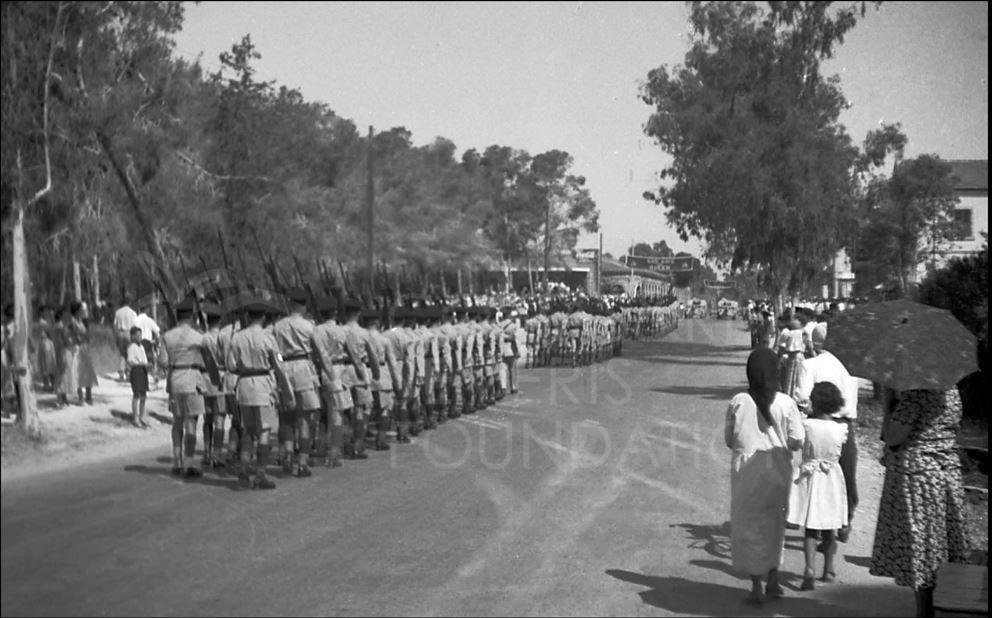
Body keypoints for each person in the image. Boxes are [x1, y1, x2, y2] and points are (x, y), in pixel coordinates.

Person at [869, 388, 968, 618]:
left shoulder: (916, 396)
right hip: (945, 475)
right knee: (938, 548)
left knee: (921, 551)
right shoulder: (951, 392)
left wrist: (889, 404)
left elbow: (893, 436)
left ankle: (924, 612)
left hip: (918, 479)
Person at [725, 348, 805, 606]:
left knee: (748, 525)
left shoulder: (738, 401)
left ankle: (756, 585)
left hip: (746, 472)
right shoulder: (786, 402)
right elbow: (797, 440)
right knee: (774, 524)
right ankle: (773, 580)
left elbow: (730, 440)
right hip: (778, 472)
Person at [793, 323, 860, 543]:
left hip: (819, 424)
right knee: (846, 474)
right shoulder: (852, 368)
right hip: (846, 426)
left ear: (818, 343)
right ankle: (845, 520)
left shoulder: (810, 365)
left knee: (819, 475)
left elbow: (802, 396)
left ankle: (818, 525)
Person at [787, 381, 849, 591]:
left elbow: (797, 441)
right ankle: (829, 569)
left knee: (811, 529)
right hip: (830, 475)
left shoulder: (807, 426)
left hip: (811, 476)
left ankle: (809, 568)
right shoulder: (840, 429)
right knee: (830, 525)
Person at [226, 300, 281, 489]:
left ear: (248, 317)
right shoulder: (268, 338)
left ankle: (243, 471)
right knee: (264, 431)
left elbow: (231, 365)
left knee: (247, 430)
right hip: (262, 384)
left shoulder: (237, 337)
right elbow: (277, 364)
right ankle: (260, 475)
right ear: (263, 317)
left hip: (244, 384)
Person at [272, 289, 321, 477]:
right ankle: (302, 463)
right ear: (304, 305)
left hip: (284, 368)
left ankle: (287, 457)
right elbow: (318, 351)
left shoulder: (278, 326)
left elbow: (273, 351)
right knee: (304, 419)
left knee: (286, 417)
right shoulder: (309, 326)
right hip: (303, 368)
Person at [159, 298, 207, 478]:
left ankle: (176, 461)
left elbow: (163, 361)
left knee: (177, 423)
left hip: (174, 381)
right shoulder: (198, 337)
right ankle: (188, 463)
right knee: (192, 423)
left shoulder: (167, 336)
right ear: (192, 316)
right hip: (192, 380)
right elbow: (205, 360)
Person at [125, 326, 150, 428]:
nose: (140, 337)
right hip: (136, 371)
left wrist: (147, 366)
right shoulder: (131, 347)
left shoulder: (142, 347)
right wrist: (142, 365)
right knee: (136, 395)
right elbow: (130, 362)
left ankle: (142, 415)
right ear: (133, 336)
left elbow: (144, 360)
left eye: (141, 335)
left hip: (143, 371)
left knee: (144, 395)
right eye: (138, 335)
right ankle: (135, 417)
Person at [114, 297, 138, 382]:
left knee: (122, 353)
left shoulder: (118, 312)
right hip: (129, 333)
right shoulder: (133, 313)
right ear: (129, 303)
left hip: (120, 333)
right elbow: (135, 325)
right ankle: (128, 374)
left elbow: (115, 325)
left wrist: (116, 337)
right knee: (129, 353)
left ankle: (121, 374)